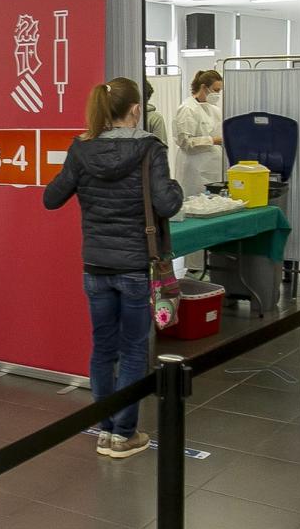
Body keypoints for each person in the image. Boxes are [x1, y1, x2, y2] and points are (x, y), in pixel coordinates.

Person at [43, 77, 182, 459]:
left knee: (103, 346)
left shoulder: (80, 148)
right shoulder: (149, 148)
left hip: (96, 265)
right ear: (136, 109)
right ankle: (124, 433)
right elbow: (168, 204)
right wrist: (177, 187)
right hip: (136, 265)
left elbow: (51, 198)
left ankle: (105, 429)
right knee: (134, 350)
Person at [172, 70, 227, 193]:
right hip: (194, 169)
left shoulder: (213, 109)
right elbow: (185, 142)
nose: (218, 94)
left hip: (213, 168)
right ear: (203, 87)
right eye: (216, 90)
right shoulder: (188, 109)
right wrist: (212, 140)